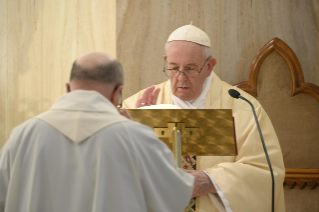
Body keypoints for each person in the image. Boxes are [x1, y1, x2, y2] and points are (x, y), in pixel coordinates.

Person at [0, 52, 194, 212]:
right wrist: (138, 131)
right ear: (117, 92)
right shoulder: (136, 137)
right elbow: (175, 195)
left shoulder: (22, 135)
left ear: (68, 89)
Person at [123, 25, 285, 212]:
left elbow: (265, 171)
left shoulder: (241, 108)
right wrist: (134, 134)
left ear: (209, 66)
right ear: (166, 61)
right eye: (174, 68)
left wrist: (211, 181)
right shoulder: (137, 106)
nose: (180, 78)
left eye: (191, 69)